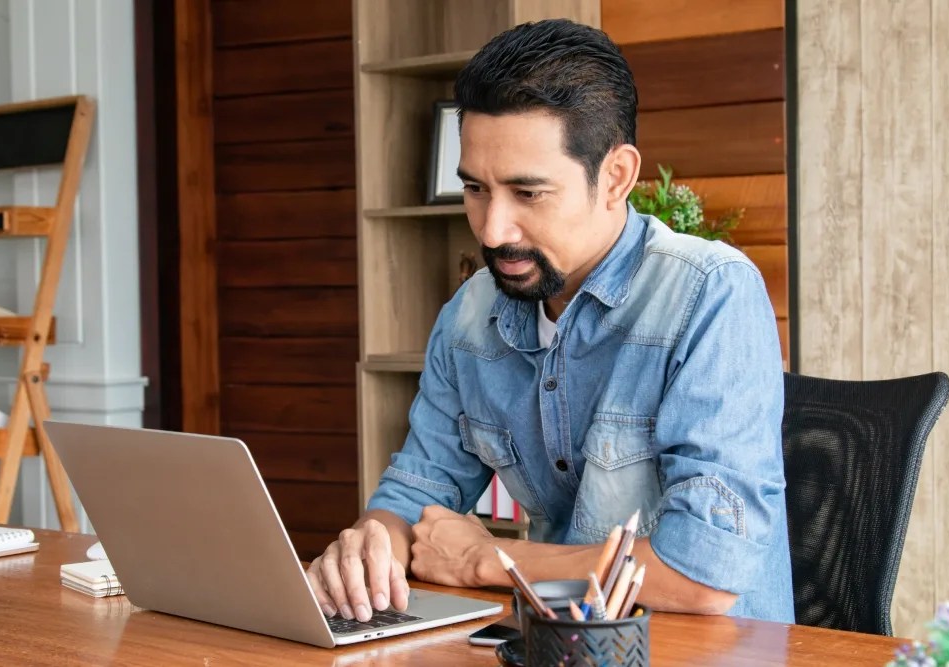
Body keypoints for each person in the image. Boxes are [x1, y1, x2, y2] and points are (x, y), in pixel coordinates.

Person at [307, 18, 794, 625]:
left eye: (528, 193)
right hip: (555, 645)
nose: (492, 230)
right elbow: (415, 497)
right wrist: (370, 543)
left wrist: (490, 561)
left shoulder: (710, 294)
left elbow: (707, 574)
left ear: (616, 176)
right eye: (476, 189)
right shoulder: (470, 317)